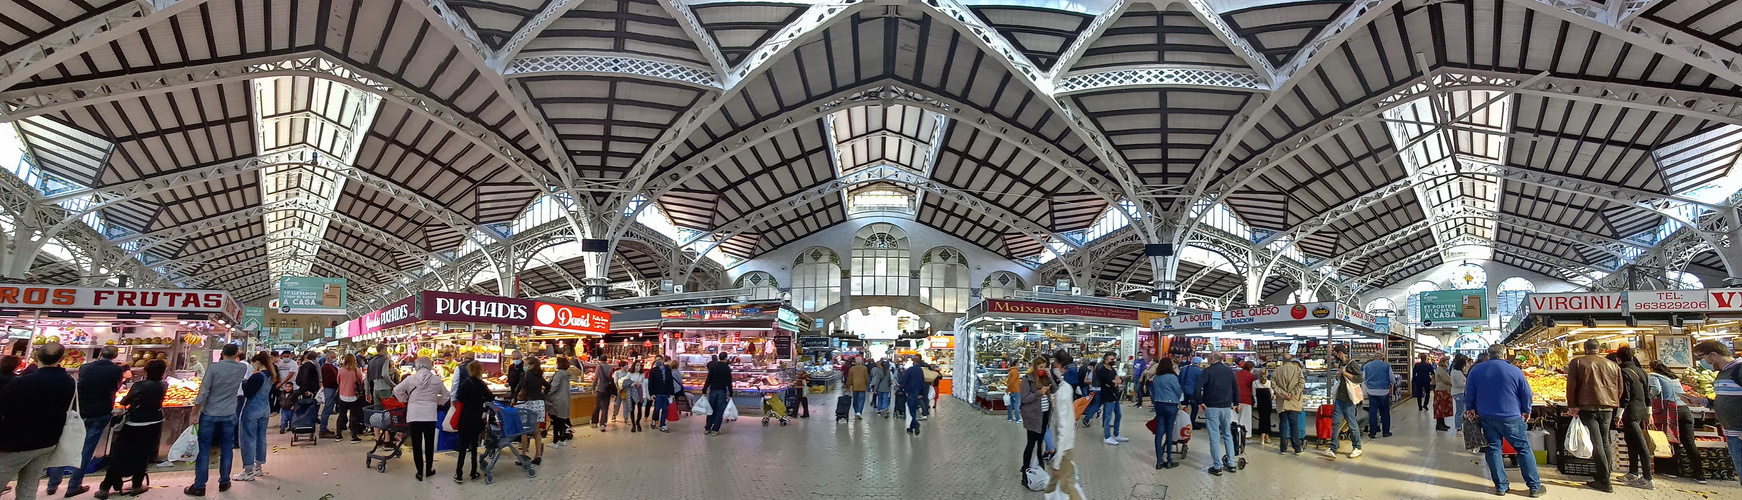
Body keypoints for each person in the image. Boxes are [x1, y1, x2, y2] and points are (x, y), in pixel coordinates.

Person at [45, 345, 128, 497]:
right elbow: (116, 387)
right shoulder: (116, 370)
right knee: (86, 451)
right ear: (115, 357)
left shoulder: (85, 367)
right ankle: (74, 485)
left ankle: (52, 484)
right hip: (100, 412)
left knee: (67, 445)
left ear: (100, 353)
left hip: (80, 411)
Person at [1465, 344, 1545, 497]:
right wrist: (1526, 411)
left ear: (1489, 355)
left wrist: (1470, 408)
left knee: (1493, 448)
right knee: (1522, 448)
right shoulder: (1515, 370)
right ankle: (1534, 487)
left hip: (1486, 417)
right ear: (1505, 354)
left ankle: (1501, 487)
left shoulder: (1477, 370)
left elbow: (1469, 392)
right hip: (1512, 417)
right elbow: (1526, 394)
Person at [0, 343, 77, 500]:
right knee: (28, 488)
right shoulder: (69, 382)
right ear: (61, 358)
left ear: (36, 357)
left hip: (16, 443)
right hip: (47, 442)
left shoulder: (23, 382)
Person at [95, 359, 166, 499]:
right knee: (143, 454)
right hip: (154, 422)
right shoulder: (164, 385)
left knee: (120, 454)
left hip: (134, 423)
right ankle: (136, 485)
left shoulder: (139, 385)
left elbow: (125, 402)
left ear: (145, 371)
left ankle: (105, 487)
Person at [184, 344, 247, 496]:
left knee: (204, 449)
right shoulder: (241, 368)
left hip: (210, 414)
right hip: (229, 414)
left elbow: (204, 392)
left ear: (223, 353)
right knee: (226, 448)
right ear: (236, 354)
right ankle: (224, 481)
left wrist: (194, 413)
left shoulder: (213, 368)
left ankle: (199, 485)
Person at [1565, 338, 1622, 493]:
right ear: (1599, 349)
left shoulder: (1578, 363)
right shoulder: (1613, 365)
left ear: (1585, 349)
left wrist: (1572, 406)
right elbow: (1620, 388)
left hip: (1588, 407)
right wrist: (1612, 402)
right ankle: (1605, 476)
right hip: (1608, 408)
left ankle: (1604, 481)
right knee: (1604, 442)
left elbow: (1571, 386)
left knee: (1597, 443)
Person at [393, 357, 449, 481]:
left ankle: (419, 472)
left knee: (416, 444)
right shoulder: (436, 380)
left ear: (417, 366)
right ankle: (428, 470)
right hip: (430, 415)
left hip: (414, 415)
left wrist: (404, 399)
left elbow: (396, 390)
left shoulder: (410, 379)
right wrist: (437, 401)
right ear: (430, 366)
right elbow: (446, 395)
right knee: (429, 444)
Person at [1649, 360, 1705, 483]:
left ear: (1651, 368)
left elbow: (1655, 390)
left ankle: (1673, 470)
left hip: (1672, 411)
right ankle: (1699, 474)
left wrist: (1647, 400)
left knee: (1671, 439)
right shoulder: (1674, 378)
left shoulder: (1653, 376)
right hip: (1685, 410)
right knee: (1689, 442)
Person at [1692, 340, 1739, 485]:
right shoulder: (1722, 373)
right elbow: (1722, 400)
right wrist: (1701, 402)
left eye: (1701, 357)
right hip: (1732, 433)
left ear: (1713, 354)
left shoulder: (1739, 369)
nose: (1703, 362)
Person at [232, 353, 277, 482]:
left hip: (252, 410)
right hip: (265, 409)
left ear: (258, 362)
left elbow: (248, 393)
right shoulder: (271, 375)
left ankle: (248, 470)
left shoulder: (257, 376)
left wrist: (244, 383)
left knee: (248, 439)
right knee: (261, 437)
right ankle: (258, 466)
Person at [1614, 346, 1653, 489]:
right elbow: (1648, 395)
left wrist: (1619, 415)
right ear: (1632, 358)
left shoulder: (1623, 372)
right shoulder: (1642, 372)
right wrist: (1649, 413)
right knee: (1631, 442)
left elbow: (1625, 397)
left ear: (1618, 359)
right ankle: (1633, 472)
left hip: (1630, 412)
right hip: (1641, 411)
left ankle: (1648, 478)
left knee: (1640, 444)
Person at [1195, 352, 1240, 475]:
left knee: (1214, 437)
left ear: (1213, 359)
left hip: (1212, 407)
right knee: (1227, 435)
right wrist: (1236, 403)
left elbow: (1197, 388)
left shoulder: (1207, 372)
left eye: (1209, 359)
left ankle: (1217, 466)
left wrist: (1200, 402)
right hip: (1226, 407)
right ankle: (1231, 464)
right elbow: (1236, 387)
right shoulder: (1229, 372)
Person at [451, 361, 491, 483]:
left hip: (465, 417)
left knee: (463, 446)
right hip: (477, 417)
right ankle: (473, 472)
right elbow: (490, 397)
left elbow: (460, 397)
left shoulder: (465, 383)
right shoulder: (482, 384)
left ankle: (459, 473)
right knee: (474, 446)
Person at [1323, 356, 1365, 460]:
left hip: (1349, 400)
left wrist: (1345, 373)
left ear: (1340, 353)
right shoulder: (1342, 364)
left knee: (1352, 424)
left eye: (1335, 353)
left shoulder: (1352, 364)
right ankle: (1333, 448)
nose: (1333, 356)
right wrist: (1339, 376)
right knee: (1335, 423)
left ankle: (1357, 447)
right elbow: (1342, 381)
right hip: (1339, 399)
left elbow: (1359, 378)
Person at [1019, 356, 1054, 477]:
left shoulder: (1044, 377)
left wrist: (1049, 376)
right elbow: (1024, 398)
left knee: (1040, 443)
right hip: (1033, 416)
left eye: (1044, 367)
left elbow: (1054, 389)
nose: (1042, 369)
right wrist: (1039, 393)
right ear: (1035, 367)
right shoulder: (1027, 380)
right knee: (1031, 443)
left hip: (1044, 415)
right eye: (1040, 367)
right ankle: (1025, 468)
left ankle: (1040, 466)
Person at [1150, 358, 1182, 469]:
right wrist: (1177, 399)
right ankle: (1169, 460)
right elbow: (1178, 391)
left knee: (1159, 432)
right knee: (1169, 432)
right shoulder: (1172, 377)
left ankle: (1159, 461)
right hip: (1171, 405)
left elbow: (1152, 391)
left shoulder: (1156, 378)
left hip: (1159, 404)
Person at [1273, 352, 1306, 455]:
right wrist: (1292, 393)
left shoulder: (1277, 370)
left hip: (1282, 402)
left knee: (1283, 425)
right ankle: (1297, 448)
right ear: (1292, 359)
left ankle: (1283, 448)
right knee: (1294, 425)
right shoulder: (1297, 370)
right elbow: (1301, 383)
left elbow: (1273, 384)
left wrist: (1283, 394)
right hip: (1294, 401)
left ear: (1282, 360)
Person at [1093, 352, 1126, 445]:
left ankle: (1116, 434)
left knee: (1118, 415)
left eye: (1114, 359)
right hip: (1107, 396)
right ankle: (1107, 436)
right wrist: (1115, 382)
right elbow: (1108, 383)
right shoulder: (1101, 370)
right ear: (1106, 360)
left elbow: (1119, 379)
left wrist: (1116, 381)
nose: (1113, 361)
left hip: (1115, 395)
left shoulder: (1112, 369)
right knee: (1108, 417)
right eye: (1112, 359)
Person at [701, 353, 733, 436]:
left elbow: (709, 379)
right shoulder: (727, 368)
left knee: (710, 409)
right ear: (726, 358)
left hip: (713, 390)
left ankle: (707, 428)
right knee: (719, 410)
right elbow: (729, 382)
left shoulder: (714, 367)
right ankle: (715, 429)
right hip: (721, 391)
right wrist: (731, 392)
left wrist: (704, 389)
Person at [1362, 355, 1394, 438]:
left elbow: (1364, 378)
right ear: (1381, 358)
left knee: (1373, 412)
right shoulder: (1387, 366)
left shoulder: (1367, 366)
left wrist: (1370, 384)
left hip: (1371, 392)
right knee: (1385, 412)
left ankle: (1373, 432)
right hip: (1384, 391)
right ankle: (1386, 432)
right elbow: (1392, 379)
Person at [547, 357, 574, 446]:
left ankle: (555, 441)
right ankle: (562, 439)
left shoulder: (558, 374)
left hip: (557, 400)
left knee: (556, 420)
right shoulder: (566, 375)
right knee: (562, 420)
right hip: (564, 399)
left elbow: (554, 386)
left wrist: (547, 394)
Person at [899, 356, 927, 435]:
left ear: (914, 362)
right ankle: (911, 427)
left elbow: (905, 380)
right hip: (917, 391)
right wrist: (921, 393)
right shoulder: (920, 370)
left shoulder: (910, 370)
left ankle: (915, 422)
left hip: (911, 391)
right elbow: (922, 382)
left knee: (911, 408)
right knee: (914, 407)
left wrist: (901, 389)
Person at [648, 356, 678, 430]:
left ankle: (662, 424)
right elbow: (650, 383)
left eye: (659, 360)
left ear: (662, 360)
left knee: (665, 409)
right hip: (657, 393)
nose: (658, 361)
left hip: (666, 392)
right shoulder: (653, 371)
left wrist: (672, 393)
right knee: (657, 408)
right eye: (656, 360)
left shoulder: (668, 369)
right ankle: (654, 419)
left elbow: (671, 382)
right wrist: (651, 394)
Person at [318, 351, 339, 437]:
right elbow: (331, 379)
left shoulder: (329, 366)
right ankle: (323, 430)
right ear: (328, 358)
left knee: (328, 408)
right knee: (327, 409)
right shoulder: (327, 367)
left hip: (330, 389)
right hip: (329, 389)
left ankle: (324, 429)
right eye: (334, 357)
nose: (335, 359)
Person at [1234, 360, 1258, 438]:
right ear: (1251, 368)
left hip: (1236, 399)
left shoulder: (1237, 373)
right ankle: (1245, 436)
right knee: (1245, 419)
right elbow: (1253, 387)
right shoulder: (1250, 376)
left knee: (1236, 419)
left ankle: (1236, 435)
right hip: (1246, 399)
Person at [621, 363, 647, 433]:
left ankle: (638, 422)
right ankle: (633, 425)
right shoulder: (630, 373)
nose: (638, 366)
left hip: (640, 392)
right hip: (632, 392)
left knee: (639, 409)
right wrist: (633, 383)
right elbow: (625, 382)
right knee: (632, 409)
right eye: (636, 365)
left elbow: (643, 384)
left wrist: (644, 395)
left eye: (639, 365)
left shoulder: (642, 374)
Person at [593, 359, 617, 431]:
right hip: (607, 389)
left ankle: (594, 422)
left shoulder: (599, 367)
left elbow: (596, 378)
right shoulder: (610, 368)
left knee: (597, 405)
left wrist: (593, 387)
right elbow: (611, 378)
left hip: (600, 389)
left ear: (600, 360)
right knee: (605, 407)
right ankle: (603, 424)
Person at [1432, 357, 1455, 431]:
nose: (1448, 363)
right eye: (1446, 362)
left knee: (1443, 408)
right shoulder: (1440, 370)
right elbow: (1446, 380)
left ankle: (1442, 423)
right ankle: (1439, 424)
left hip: (1444, 391)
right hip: (1441, 391)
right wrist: (1453, 383)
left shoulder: (1443, 370)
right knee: (1440, 408)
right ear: (1442, 362)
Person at [1180, 356, 1203, 429]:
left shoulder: (1184, 368)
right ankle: (1191, 422)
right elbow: (1200, 382)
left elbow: (1179, 379)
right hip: (1193, 392)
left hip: (1183, 391)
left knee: (1184, 407)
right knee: (1194, 407)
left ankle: (1182, 422)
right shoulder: (1199, 371)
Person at [1253, 367, 1273, 446]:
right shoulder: (1269, 383)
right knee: (1267, 420)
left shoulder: (1254, 383)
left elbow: (1254, 394)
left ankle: (1263, 438)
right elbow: (1272, 394)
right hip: (1268, 404)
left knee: (1262, 420)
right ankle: (1266, 438)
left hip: (1260, 404)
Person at [1451, 355, 1470, 436]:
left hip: (1457, 392)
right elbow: (1460, 384)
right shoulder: (1458, 373)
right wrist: (1467, 383)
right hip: (1459, 392)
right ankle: (1458, 428)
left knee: (1460, 411)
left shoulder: (1454, 371)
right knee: (1459, 411)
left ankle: (1459, 427)